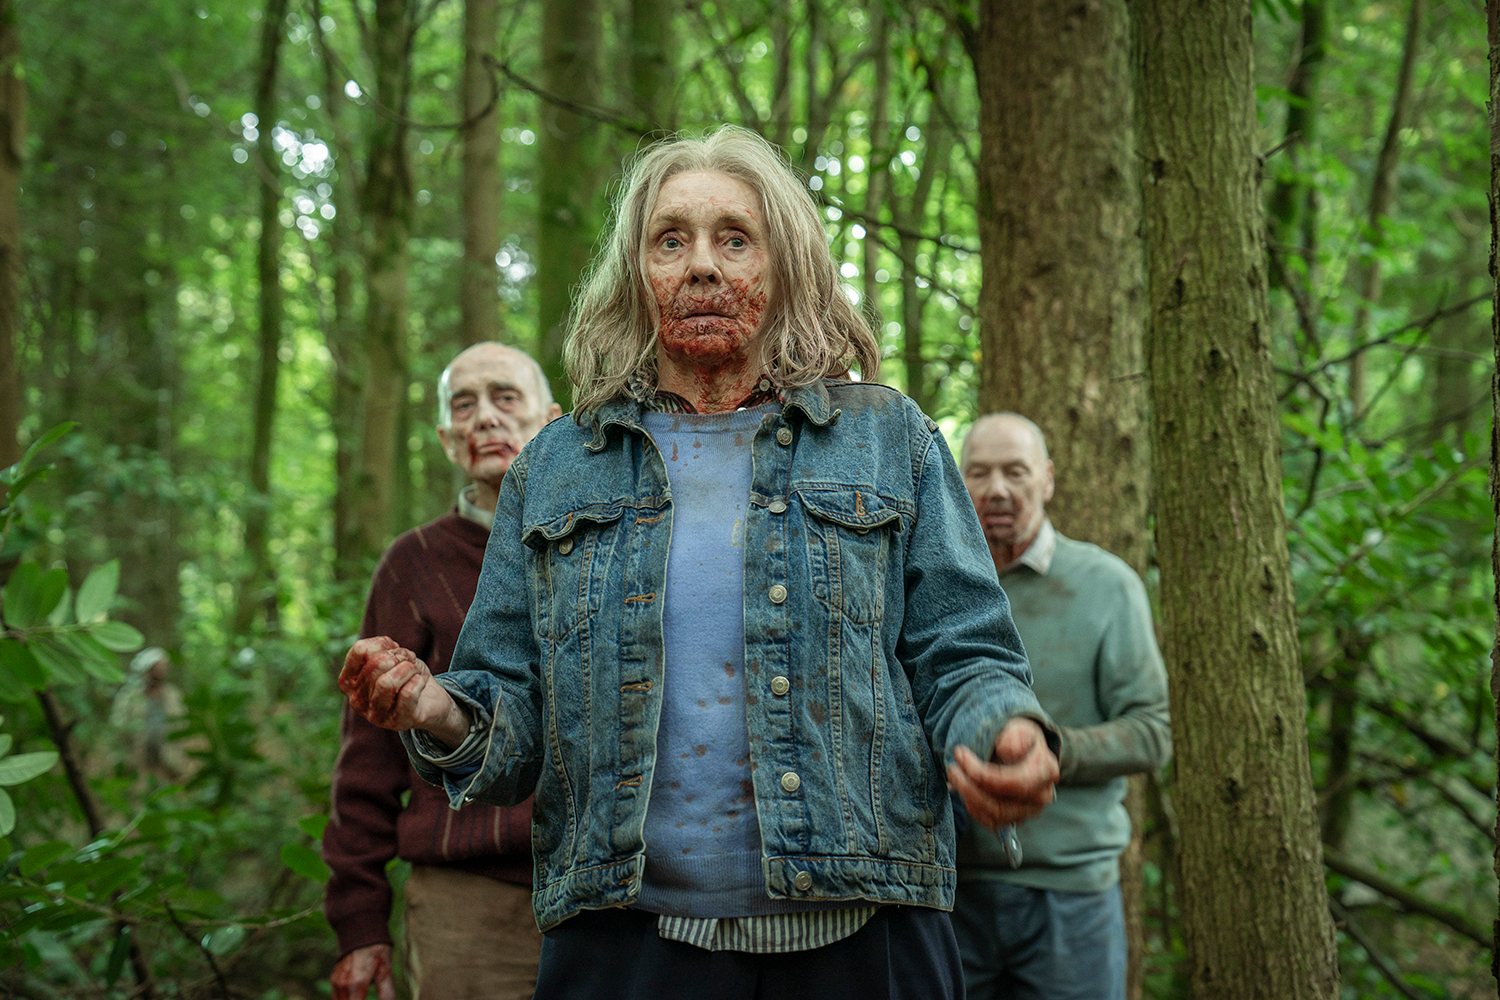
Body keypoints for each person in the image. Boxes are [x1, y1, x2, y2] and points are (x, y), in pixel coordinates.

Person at [339, 126, 1060, 1000]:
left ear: (784, 265)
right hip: (626, 943)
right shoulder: (556, 467)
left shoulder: (888, 439)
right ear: (635, 274)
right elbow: (515, 719)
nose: (703, 266)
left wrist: (1006, 730)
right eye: (671, 241)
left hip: (867, 932)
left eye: (735, 239)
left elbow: (963, 650)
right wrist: (437, 709)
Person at [322, 342, 561, 1000]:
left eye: (505, 398)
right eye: (464, 404)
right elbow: (366, 759)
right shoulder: (413, 563)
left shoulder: (604, 543)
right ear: (446, 439)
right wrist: (360, 923)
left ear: (552, 420)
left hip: (614, 893)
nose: (485, 417)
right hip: (471, 903)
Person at [953, 413, 1172, 1000]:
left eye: (1016, 472)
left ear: (1047, 479)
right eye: (979, 473)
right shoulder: (931, 587)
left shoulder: (1107, 585)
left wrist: (1053, 750)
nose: (997, 489)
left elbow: (1152, 731)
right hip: (949, 890)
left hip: (1072, 893)